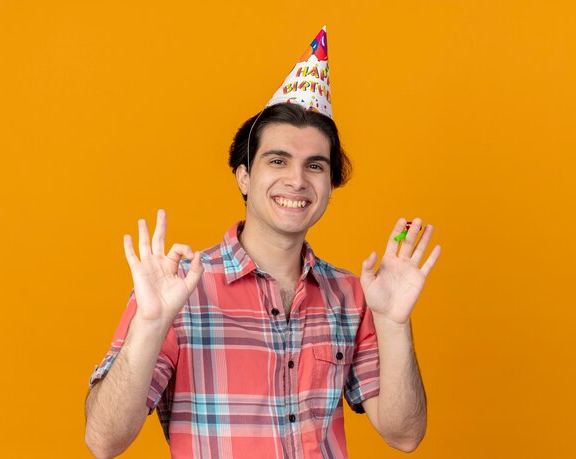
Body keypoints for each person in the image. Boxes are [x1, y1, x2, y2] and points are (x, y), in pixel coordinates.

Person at [85, 28, 441, 459]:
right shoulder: (179, 291)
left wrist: (394, 323)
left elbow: (405, 434)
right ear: (245, 177)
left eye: (315, 165)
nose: (297, 179)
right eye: (278, 160)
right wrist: (149, 323)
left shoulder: (352, 295)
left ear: (329, 186)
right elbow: (103, 440)